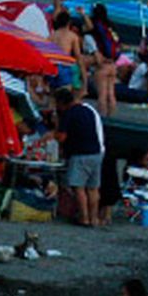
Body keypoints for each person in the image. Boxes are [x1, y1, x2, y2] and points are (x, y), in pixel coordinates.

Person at [53, 87, 105, 227]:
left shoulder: (69, 114)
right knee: (93, 188)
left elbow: (62, 137)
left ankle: (84, 217)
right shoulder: (87, 110)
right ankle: (94, 218)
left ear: (61, 103)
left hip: (80, 154)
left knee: (79, 187)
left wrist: (55, 129)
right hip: (96, 152)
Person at [88, 4, 119, 117]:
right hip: (113, 65)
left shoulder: (97, 26)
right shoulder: (111, 26)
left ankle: (102, 119)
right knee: (111, 94)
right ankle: (112, 117)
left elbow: (89, 29)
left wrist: (83, 14)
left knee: (102, 95)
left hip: (103, 65)